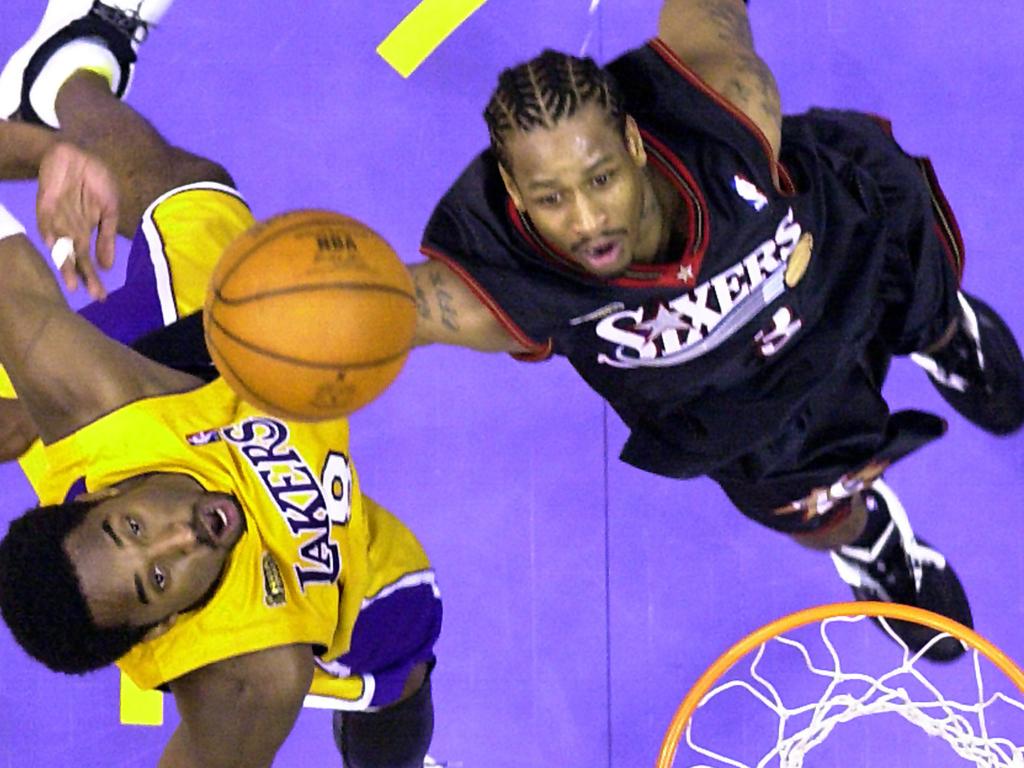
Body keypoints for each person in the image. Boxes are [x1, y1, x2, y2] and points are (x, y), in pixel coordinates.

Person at [5, 1, 1022, 663]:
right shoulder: (502, 281)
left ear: (633, 141)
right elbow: (316, 327)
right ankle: (874, 535)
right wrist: (163, 371)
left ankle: (944, 335)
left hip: (844, 246)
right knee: (814, 504)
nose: (584, 222)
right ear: (512, 201)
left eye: (598, 180)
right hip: (739, 402)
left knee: (927, 302)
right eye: (547, 200)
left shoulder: (726, 106)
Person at [0, 3, 441, 767]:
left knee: (187, 188)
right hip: (323, 550)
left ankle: (65, 74)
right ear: (163, 629)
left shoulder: (92, 395)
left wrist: (45, 156)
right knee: (402, 667)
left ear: (107, 496)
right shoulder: (254, 676)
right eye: (159, 580)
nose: (182, 536)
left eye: (133, 530)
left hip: (179, 381)